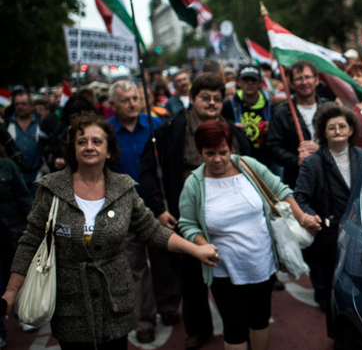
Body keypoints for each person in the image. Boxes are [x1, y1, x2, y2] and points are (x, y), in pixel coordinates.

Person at [1, 111, 219, 349]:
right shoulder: (52, 189)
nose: (89, 147)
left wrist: (196, 250)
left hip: (116, 303)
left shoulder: (123, 187)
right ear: (73, 149)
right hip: (70, 306)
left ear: (109, 149)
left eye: (97, 141)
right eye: (82, 142)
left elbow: (153, 231)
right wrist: (11, 291)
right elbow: (31, 240)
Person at [179, 120, 320, 350]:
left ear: (231, 147)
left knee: (260, 321)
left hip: (261, 263)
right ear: (199, 152)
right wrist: (203, 245)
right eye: (210, 153)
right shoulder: (194, 184)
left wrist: (302, 217)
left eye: (223, 152)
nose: (218, 159)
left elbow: (280, 190)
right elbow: (188, 225)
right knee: (234, 329)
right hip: (224, 270)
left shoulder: (250, 167)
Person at [139, 72, 251, 350]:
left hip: (230, 219)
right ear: (192, 98)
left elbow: (252, 170)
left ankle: (236, 329)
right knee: (190, 281)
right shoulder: (169, 130)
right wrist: (158, 209)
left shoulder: (234, 132)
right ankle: (199, 330)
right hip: (185, 218)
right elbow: (148, 172)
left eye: (217, 98)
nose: (212, 103)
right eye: (205, 98)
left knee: (232, 277)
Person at [107, 80, 182, 343]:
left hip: (155, 209)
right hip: (123, 211)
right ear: (113, 104)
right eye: (125, 100)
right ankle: (145, 319)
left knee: (163, 259)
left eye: (135, 98)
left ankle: (168, 305)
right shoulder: (107, 132)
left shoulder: (154, 124)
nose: (132, 103)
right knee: (134, 266)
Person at [294, 105, 362, 336]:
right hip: (328, 235)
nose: (337, 131)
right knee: (331, 285)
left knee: (359, 286)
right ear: (323, 133)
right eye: (331, 127)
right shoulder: (313, 162)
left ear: (351, 129)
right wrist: (308, 216)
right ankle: (335, 334)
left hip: (358, 233)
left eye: (342, 126)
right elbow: (300, 197)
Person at [264, 60, 334, 188]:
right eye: (299, 78)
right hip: (297, 181)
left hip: (330, 177)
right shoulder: (281, 113)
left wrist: (321, 150)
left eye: (307, 77)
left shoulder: (331, 109)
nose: (304, 82)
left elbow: (343, 142)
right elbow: (272, 147)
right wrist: (296, 159)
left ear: (316, 80)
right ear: (290, 83)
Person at [0, 144, 32, 349]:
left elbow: (24, 199)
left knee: (19, 275)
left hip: (12, 233)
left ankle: (25, 313)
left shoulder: (8, 167)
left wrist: (29, 230)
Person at [222, 65, 273, 166]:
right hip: (237, 162)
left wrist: (272, 129)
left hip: (265, 162)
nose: (249, 83)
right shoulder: (228, 106)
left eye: (253, 80)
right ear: (239, 82)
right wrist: (232, 127)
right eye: (246, 80)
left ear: (259, 83)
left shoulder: (270, 107)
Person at [4, 89, 44, 194]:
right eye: (17, 104)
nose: (20, 107)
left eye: (23, 104)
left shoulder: (40, 123)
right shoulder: (7, 125)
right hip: (14, 177)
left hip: (37, 175)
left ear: (31, 106)